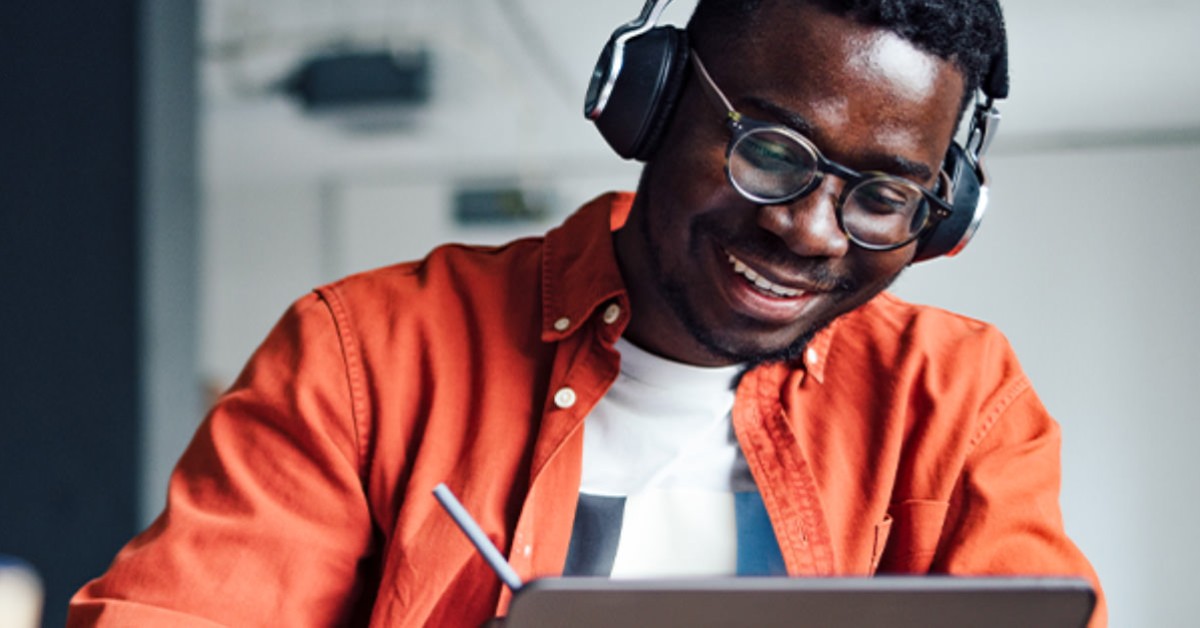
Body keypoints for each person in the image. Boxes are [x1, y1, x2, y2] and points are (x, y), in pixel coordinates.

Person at [68, 0, 1106, 626]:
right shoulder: (365, 352)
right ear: (649, 105)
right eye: (771, 154)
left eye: (882, 197)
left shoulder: (958, 398)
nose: (812, 231)